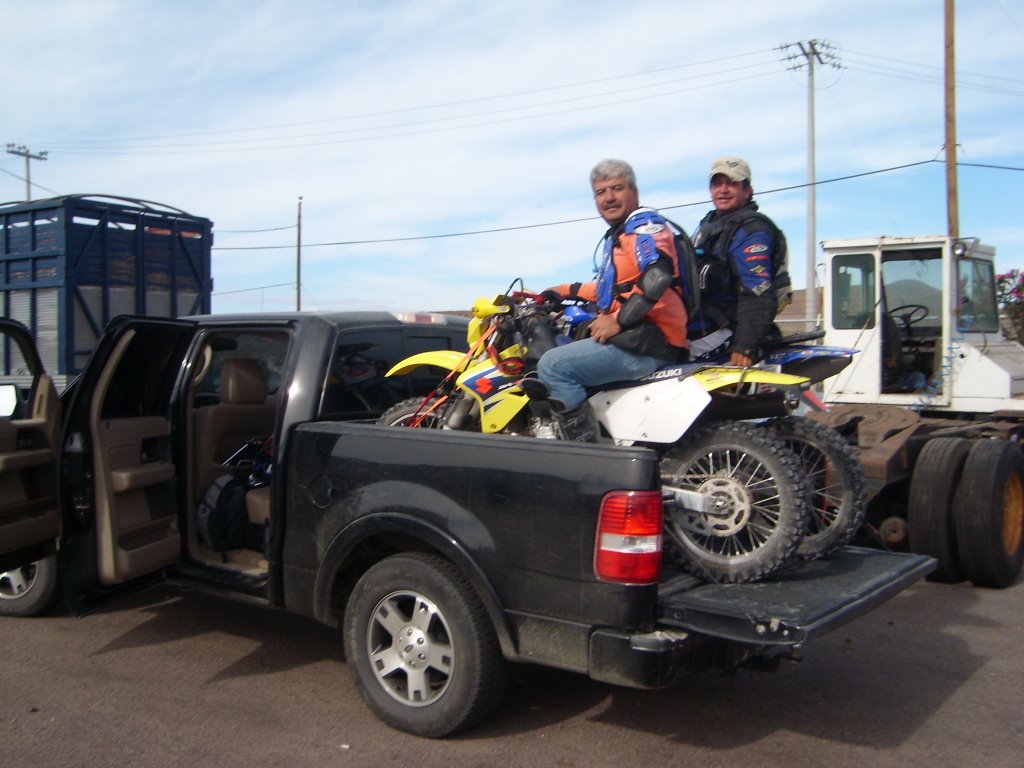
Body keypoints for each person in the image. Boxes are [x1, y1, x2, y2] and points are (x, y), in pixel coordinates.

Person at [536, 159, 687, 442]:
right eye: (601, 191)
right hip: (641, 338)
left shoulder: (644, 226)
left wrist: (618, 320)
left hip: (649, 342)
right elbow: (608, 289)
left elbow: (657, 276)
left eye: (617, 188)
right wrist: (561, 290)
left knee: (553, 366)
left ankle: (586, 456)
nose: (609, 197)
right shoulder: (620, 235)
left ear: (634, 193)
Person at [690, 156, 791, 366]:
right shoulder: (708, 225)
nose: (723, 189)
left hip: (730, 329)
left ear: (747, 190)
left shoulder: (752, 231)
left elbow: (758, 290)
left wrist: (745, 345)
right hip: (701, 322)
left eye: (732, 183)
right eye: (717, 183)